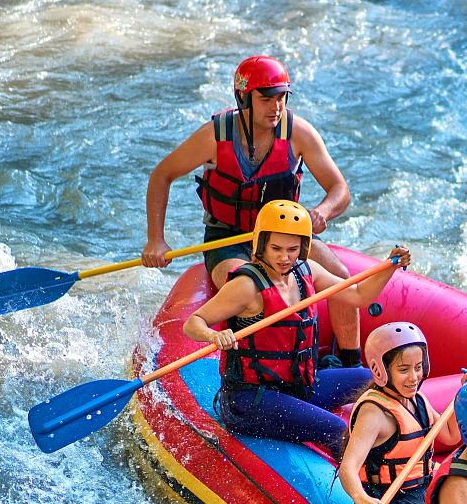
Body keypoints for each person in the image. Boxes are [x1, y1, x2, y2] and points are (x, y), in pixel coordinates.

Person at [145, 55, 364, 364]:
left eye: (282, 97)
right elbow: (161, 175)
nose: (276, 107)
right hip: (229, 238)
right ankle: (262, 370)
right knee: (251, 286)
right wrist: (156, 239)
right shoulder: (214, 136)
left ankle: (350, 362)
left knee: (343, 279)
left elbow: (340, 190)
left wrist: (323, 212)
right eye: (266, 99)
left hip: (284, 233)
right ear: (243, 98)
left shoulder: (298, 133)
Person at [183, 201, 408, 455]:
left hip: (298, 386)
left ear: (303, 247)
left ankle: (399, 448)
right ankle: (365, 485)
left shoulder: (306, 271)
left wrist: (390, 266)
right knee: (335, 428)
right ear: (261, 245)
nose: (284, 257)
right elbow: (193, 323)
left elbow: (358, 296)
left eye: (292, 249)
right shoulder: (246, 286)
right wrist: (214, 335)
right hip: (250, 401)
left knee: (374, 380)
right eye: (276, 248)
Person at [337, 322, 467, 504]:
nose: (414, 377)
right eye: (403, 369)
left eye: (418, 367)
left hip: (425, 492)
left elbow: (450, 436)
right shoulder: (374, 412)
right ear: (381, 371)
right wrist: (362, 498)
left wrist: (466, 397)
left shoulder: (417, 400)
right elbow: (348, 468)